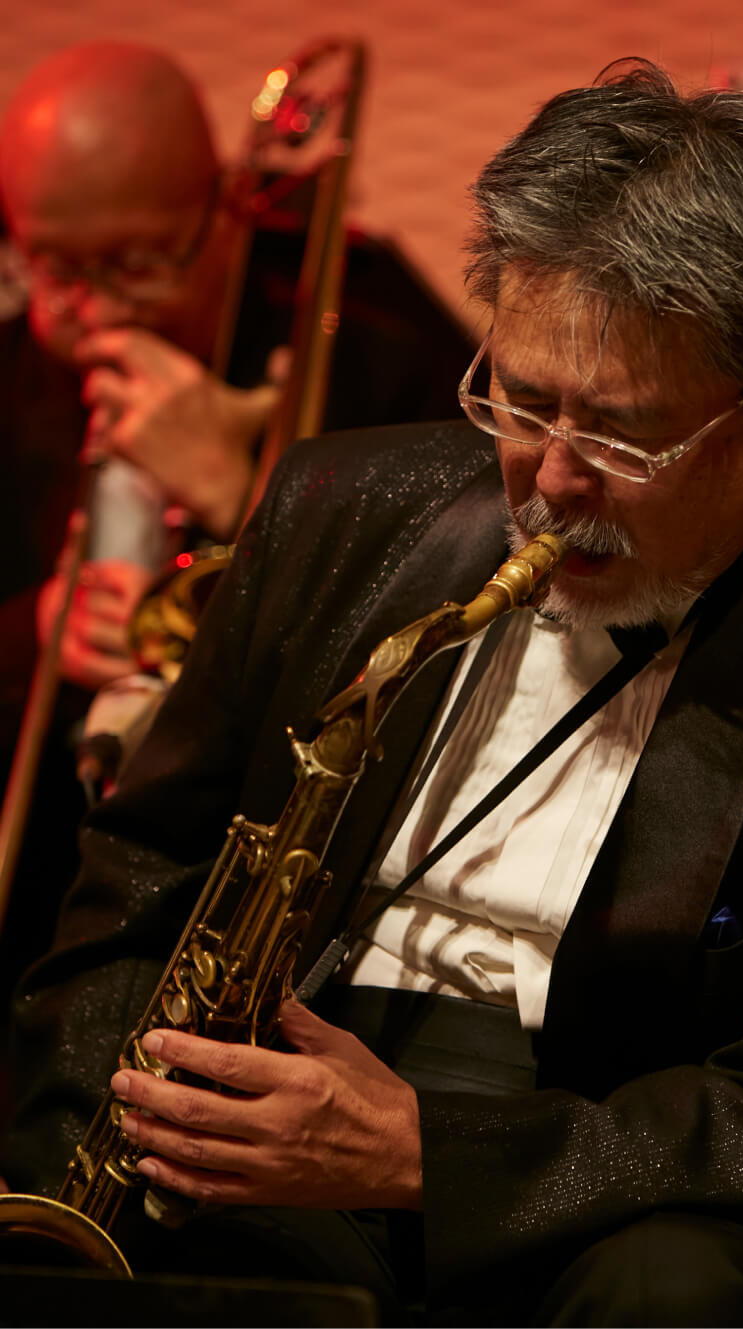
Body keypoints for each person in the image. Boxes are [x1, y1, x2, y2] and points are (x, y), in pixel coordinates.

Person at [2, 59, 743, 1325]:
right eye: (520, 400)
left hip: (624, 1176)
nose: (551, 481)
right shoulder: (336, 509)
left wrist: (428, 1154)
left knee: (674, 1295)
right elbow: (139, 881)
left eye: (621, 433)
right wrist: (71, 1185)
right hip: (290, 1096)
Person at [0, 42, 476, 1013]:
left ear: (224, 208)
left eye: (137, 264)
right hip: (41, 887)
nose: (95, 310)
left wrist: (239, 493)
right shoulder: (10, 371)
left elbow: (464, 626)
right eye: (56, 270)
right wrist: (33, 629)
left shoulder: (370, 327)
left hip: (274, 909)